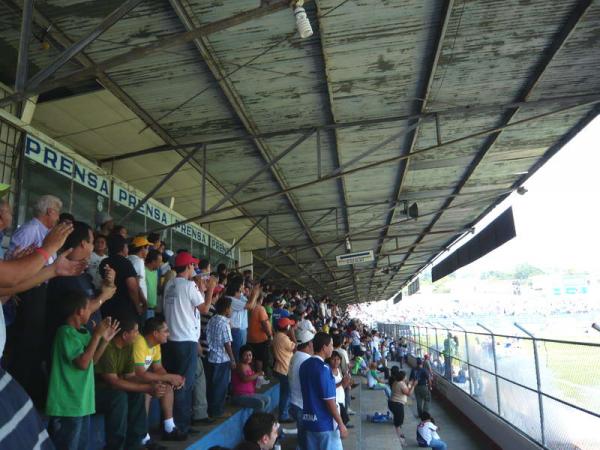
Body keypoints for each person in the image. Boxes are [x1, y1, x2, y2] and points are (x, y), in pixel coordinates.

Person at [5, 194, 63, 406]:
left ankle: (28, 391)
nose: (57, 217)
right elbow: (13, 260)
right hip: (26, 292)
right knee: (26, 344)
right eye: (56, 211)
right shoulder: (30, 229)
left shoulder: (46, 232)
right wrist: (15, 292)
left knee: (34, 343)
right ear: (49, 212)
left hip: (40, 289)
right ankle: (18, 394)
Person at [46, 291, 120, 450]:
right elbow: (82, 363)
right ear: (79, 311)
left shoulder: (85, 333)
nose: (91, 312)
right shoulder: (64, 333)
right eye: (88, 309)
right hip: (67, 405)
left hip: (83, 402)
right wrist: (96, 336)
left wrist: (103, 341)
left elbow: (92, 361)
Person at [46, 221, 117, 361]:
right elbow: (79, 310)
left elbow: (103, 292)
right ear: (84, 244)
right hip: (71, 356)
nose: (93, 247)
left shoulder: (82, 275)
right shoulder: (63, 276)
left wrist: (110, 283)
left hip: (86, 348)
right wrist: (104, 297)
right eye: (92, 242)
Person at [95, 316, 166, 450]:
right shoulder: (108, 348)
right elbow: (113, 382)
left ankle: (134, 443)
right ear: (125, 335)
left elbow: (130, 376)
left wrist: (151, 384)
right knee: (119, 397)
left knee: (137, 393)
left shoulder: (128, 347)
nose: (138, 335)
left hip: (114, 389)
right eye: (136, 331)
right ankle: (116, 446)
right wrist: (146, 387)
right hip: (97, 392)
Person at [162, 251, 212, 433]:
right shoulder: (189, 286)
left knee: (171, 384)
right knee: (184, 385)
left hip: (170, 341)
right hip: (185, 342)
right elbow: (205, 308)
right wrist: (211, 287)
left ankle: (170, 423)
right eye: (193, 266)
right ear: (188, 267)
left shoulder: (169, 284)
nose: (194, 268)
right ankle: (181, 427)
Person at [132, 316, 187, 443]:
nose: (168, 334)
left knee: (166, 386)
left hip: (141, 378)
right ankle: (143, 436)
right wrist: (168, 377)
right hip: (129, 378)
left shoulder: (155, 345)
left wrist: (171, 380)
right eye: (166, 331)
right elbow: (139, 373)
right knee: (147, 391)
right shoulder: (140, 342)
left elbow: (158, 368)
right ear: (155, 333)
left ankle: (169, 428)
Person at [300, 332, 347, 450]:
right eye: (330, 345)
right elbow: (330, 401)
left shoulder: (304, 365)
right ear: (324, 347)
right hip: (325, 423)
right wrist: (341, 424)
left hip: (309, 421)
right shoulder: (324, 369)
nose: (332, 348)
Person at [100, 234, 146, 323]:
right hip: (124, 307)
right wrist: (137, 306)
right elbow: (132, 287)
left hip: (107, 304)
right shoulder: (126, 263)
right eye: (126, 246)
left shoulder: (104, 262)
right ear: (123, 248)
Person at [206, 296, 236, 418]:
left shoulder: (212, 319)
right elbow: (227, 344)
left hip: (211, 357)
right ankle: (218, 412)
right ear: (227, 309)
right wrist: (233, 359)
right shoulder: (224, 323)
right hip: (221, 359)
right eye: (231, 308)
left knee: (212, 386)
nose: (232, 310)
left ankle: (211, 410)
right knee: (220, 387)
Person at [288, 328, 314, 450]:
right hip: (302, 404)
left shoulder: (296, 356)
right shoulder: (306, 360)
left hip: (295, 401)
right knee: (304, 439)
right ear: (309, 344)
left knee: (302, 435)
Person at [227, 276, 259, 362]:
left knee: (241, 355)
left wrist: (251, 295)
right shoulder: (230, 299)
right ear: (238, 285)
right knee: (238, 355)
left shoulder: (240, 297)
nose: (244, 286)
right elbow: (249, 306)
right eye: (243, 284)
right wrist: (255, 293)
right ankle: (237, 374)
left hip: (242, 330)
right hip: (236, 331)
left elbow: (253, 306)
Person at [231, 345, 271, 412]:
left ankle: (262, 419)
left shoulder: (249, 366)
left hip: (249, 394)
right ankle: (256, 421)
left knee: (267, 399)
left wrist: (260, 379)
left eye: (250, 355)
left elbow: (252, 380)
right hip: (239, 396)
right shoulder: (239, 365)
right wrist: (258, 374)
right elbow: (245, 379)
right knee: (260, 403)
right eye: (246, 355)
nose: (248, 357)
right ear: (241, 356)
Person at [272, 317, 296, 424]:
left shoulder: (277, 336)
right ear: (287, 327)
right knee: (286, 394)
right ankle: (283, 415)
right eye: (289, 326)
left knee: (284, 393)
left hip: (279, 367)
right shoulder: (284, 338)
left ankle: (285, 412)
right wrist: (293, 334)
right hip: (284, 368)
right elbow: (295, 347)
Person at [388, 370, 414, 448]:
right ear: (403, 377)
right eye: (405, 376)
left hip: (393, 403)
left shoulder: (396, 382)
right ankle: (400, 440)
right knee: (398, 423)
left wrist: (409, 384)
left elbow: (405, 388)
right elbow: (409, 393)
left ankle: (399, 434)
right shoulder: (401, 384)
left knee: (398, 421)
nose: (406, 377)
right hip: (397, 405)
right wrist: (413, 386)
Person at [247, 293, 273, 373]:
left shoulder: (248, 308)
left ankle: (252, 375)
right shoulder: (260, 308)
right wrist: (269, 335)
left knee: (252, 358)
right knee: (259, 358)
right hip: (260, 339)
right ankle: (259, 377)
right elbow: (264, 323)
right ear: (260, 300)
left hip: (249, 338)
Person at [128, 236, 151, 319]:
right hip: (138, 303)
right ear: (142, 248)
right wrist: (142, 303)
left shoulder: (128, 258)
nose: (148, 251)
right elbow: (136, 284)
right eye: (147, 248)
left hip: (129, 301)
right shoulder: (139, 261)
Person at [327, 351, 351, 427]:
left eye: (338, 359)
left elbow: (341, 386)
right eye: (333, 359)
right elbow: (328, 388)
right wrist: (341, 382)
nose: (336, 361)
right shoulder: (327, 371)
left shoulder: (338, 370)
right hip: (334, 400)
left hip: (341, 397)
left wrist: (347, 382)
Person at [144, 249, 162, 320]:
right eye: (159, 262)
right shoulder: (143, 270)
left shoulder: (156, 272)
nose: (160, 264)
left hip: (152, 309)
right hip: (144, 309)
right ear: (153, 261)